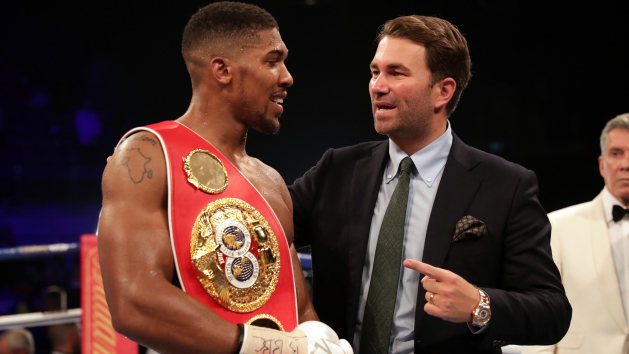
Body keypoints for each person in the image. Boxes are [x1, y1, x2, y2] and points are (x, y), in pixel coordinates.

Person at [289, 15, 571, 353]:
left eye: (396, 73)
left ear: (443, 91)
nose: (377, 86)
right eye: (375, 71)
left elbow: (552, 311)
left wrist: (478, 304)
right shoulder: (337, 169)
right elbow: (263, 228)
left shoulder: (506, 185)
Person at [97, 2, 351, 354]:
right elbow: (134, 302)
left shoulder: (271, 181)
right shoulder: (147, 155)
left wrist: (318, 339)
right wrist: (269, 348)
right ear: (222, 70)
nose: (287, 76)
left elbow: (297, 307)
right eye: (272, 60)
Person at [523, 113, 629, 353]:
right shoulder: (558, 226)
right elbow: (541, 313)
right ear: (602, 165)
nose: (625, 164)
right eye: (616, 153)